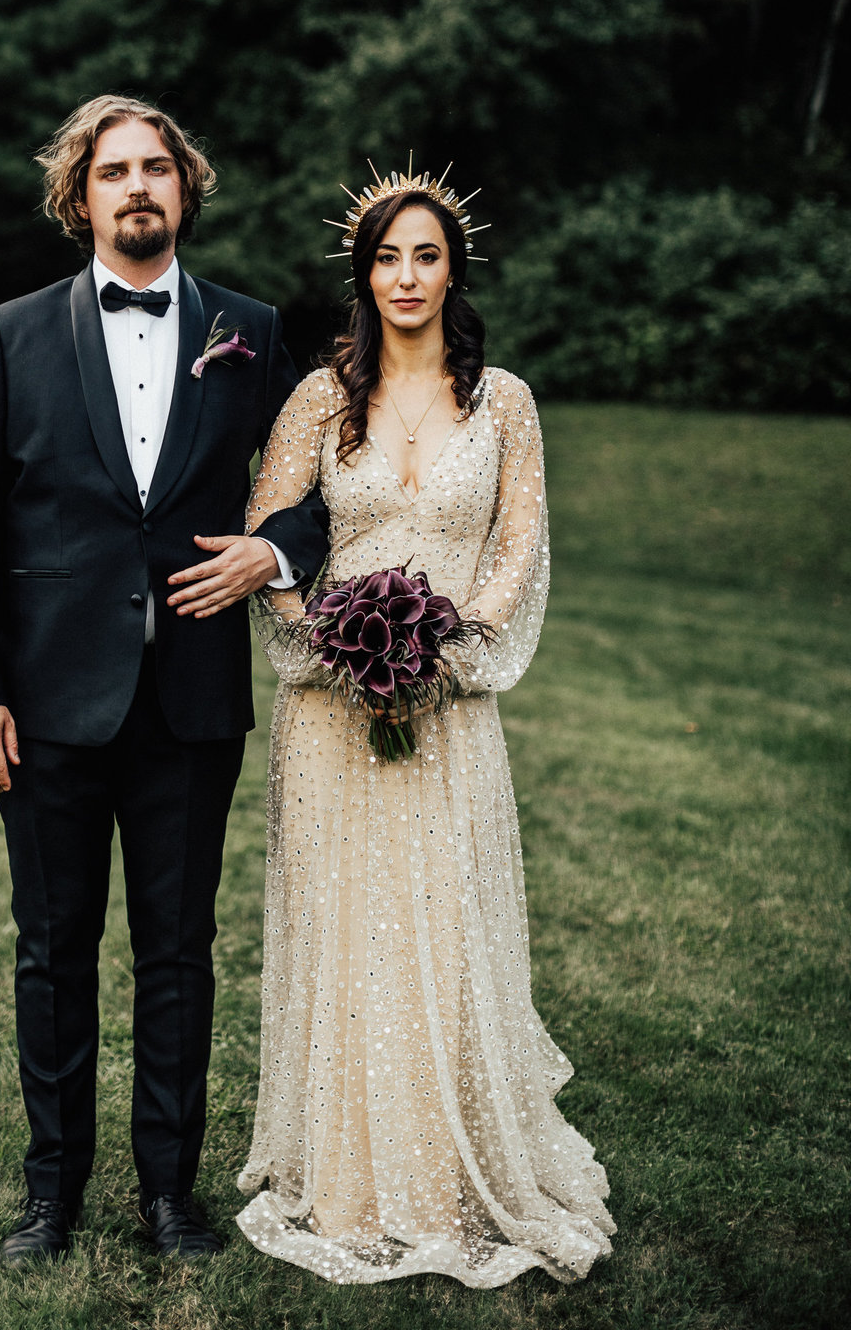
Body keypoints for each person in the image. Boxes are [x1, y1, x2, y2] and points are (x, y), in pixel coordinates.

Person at [0, 95, 328, 1269]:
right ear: (81, 198)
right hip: (47, 707)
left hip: (191, 705)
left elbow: (326, 481)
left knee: (178, 956)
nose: (138, 187)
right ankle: (49, 1199)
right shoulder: (12, 334)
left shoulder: (252, 331)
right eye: (115, 172)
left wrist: (277, 551)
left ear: (185, 187)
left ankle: (172, 1197)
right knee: (52, 955)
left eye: (157, 168)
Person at [234, 164, 615, 1287]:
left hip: (447, 708)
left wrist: (445, 653)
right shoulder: (318, 397)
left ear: (454, 269)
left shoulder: (505, 400)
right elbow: (269, 541)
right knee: (349, 930)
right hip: (328, 715)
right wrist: (330, 647)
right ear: (365, 274)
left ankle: (458, 1167)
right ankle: (349, 1175)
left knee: (446, 931)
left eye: (426, 255)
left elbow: (515, 549)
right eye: (388, 257)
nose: (407, 276)